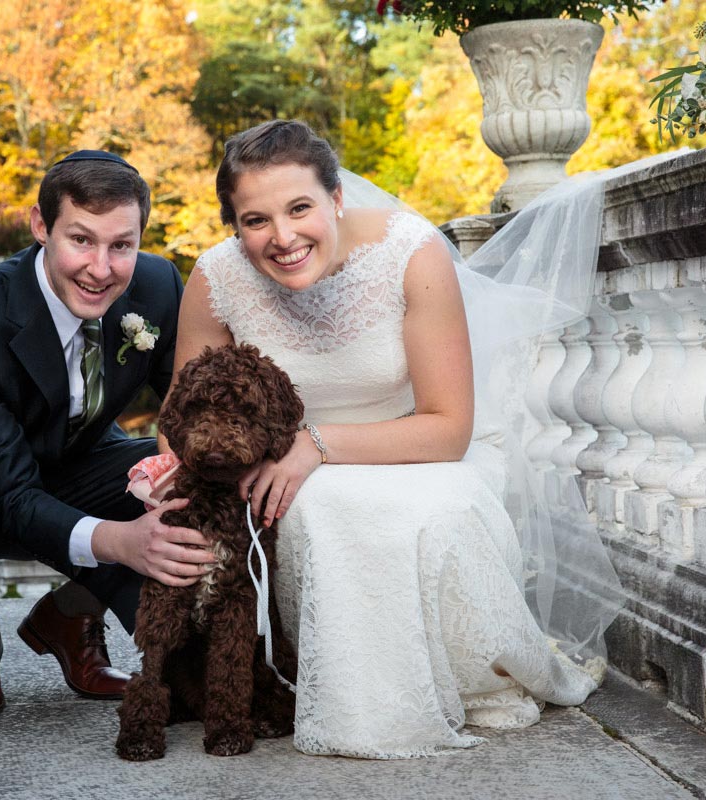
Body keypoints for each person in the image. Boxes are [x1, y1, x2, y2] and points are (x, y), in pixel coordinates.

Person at [168, 120, 622, 759]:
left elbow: (448, 428)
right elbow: (182, 420)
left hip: (420, 449)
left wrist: (314, 445)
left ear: (336, 199)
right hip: (288, 471)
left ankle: (460, 679)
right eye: (255, 221)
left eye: (300, 208)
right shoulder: (216, 280)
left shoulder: (411, 254)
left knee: (425, 511)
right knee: (320, 510)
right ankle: (330, 691)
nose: (283, 237)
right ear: (234, 225)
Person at [0, 151, 215, 721]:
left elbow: (182, 409)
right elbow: (13, 493)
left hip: (77, 467)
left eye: (121, 246)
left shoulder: (156, 285)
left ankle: (71, 613)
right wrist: (123, 543)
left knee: (200, 474)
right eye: (81, 240)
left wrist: (175, 474)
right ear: (40, 227)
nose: (101, 269)